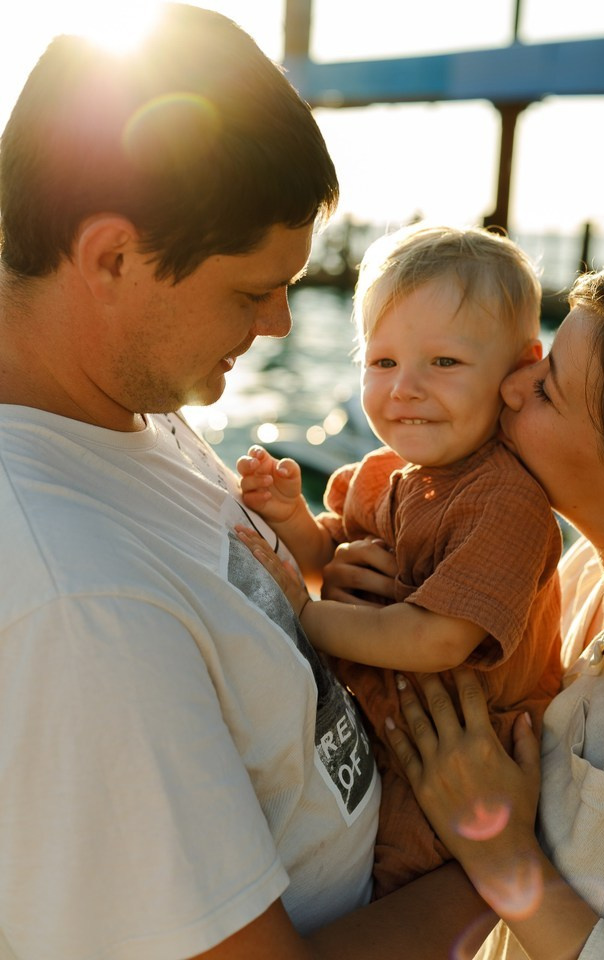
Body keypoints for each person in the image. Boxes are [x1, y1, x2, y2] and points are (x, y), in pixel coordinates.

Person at [0, 7, 494, 958]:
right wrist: (511, 872)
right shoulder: (75, 602)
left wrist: (318, 582)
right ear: (111, 256)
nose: (278, 325)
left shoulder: (116, 404)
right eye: (248, 291)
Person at [321, 258, 604, 957]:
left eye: (549, 388)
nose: (515, 383)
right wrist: (362, 582)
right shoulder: (582, 572)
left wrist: (502, 857)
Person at [236, 223, 563, 897]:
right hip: (392, 744)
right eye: (382, 362)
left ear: (519, 370)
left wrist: (303, 612)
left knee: (388, 903)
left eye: (443, 363)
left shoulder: (506, 501)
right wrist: (291, 518)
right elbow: (334, 555)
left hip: (464, 769)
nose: (405, 389)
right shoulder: (386, 473)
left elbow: (437, 635)